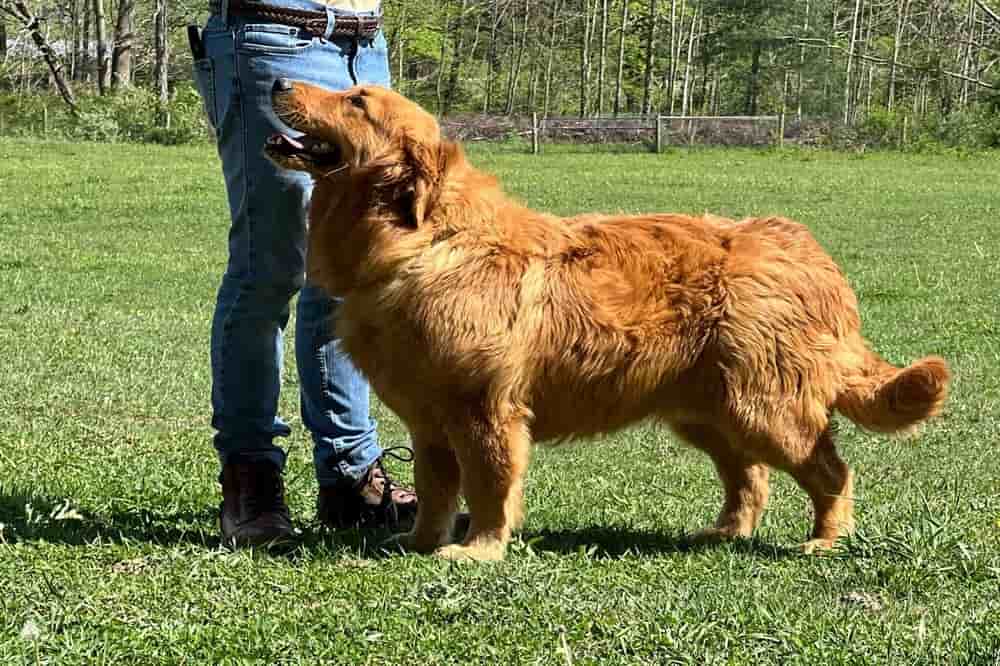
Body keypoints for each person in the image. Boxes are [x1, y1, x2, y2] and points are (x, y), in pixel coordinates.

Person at [188, 0, 417, 546]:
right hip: (275, 31)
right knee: (267, 270)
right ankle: (250, 480)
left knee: (344, 276)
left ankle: (350, 476)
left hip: (364, 46)